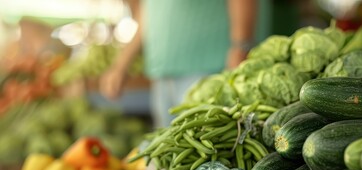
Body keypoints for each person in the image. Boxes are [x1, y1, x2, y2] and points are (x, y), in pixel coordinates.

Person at [99, 0, 272, 128]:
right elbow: (150, 12)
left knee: (210, 156)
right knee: (172, 160)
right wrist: (121, 65)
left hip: (211, 71)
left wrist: (240, 46)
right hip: (163, 75)